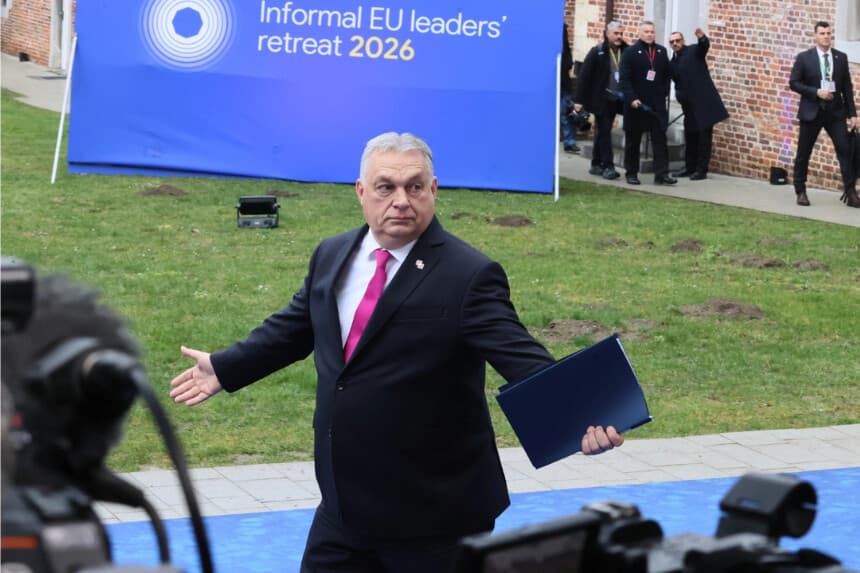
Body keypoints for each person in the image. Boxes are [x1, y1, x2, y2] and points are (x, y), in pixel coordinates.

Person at [169, 132, 625, 573]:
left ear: (433, 190)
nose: (400, 200)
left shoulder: (470, 275)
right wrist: (225, 368)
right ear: (362, 192)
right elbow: (294, 328)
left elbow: (521, 358)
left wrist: (582, 418)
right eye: (386, 187)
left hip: (435, 517)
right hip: (344, 508)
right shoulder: (331, 254)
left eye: (414, 186)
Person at [789, 21, 860, 208]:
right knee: (804, 152)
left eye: (829, 33)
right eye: (822, 33)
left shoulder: (840, 58)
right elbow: (794, 83)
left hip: (835, 112)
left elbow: (847, 87)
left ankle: (851, 192)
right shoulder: (805, 58)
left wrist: (853, 114)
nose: (826, 36)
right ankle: (800, 190)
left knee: (845, 150)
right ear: (815, 36)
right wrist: (815, 92)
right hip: (812, 111)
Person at [618, 21, 676, 186]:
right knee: (633, 141)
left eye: (652, 31)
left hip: (656, 105)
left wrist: (664, 91)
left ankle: (662, 174)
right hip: (637, 104)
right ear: (639, 33)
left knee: (660, 140)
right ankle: (631, 173)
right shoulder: (630, 52)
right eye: (646, 31)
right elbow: (625, 79)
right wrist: (632, 98)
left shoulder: (661, 51)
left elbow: (666, 74)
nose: (650, 34)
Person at [668, 28, 729, 180]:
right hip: (688, 106)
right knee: (691, 136)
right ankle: (689, 167)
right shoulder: (673, 62)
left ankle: (701, 170)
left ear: (683, 41)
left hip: (704, 103)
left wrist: (702, 38)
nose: (675, 43)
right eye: (672, 42)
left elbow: (704, 46)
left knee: (704, 138)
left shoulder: (694, 51)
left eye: (678, 40)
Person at [574, 20, 629, 180]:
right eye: (616, 33)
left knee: (602, 132)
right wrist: (578, 100)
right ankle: (608, 166)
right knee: (605, 131)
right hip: (602, 99)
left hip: (619, 99)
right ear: (608, 34)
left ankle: (595, 163)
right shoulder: (597, 51)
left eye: (621, 33)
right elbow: (584, 77)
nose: (619, 36)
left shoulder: (626, 51)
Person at [561, 23, 580, 154]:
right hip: (551, 79)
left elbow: (566, 54)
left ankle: (569, 141)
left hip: (563, 80)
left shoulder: (561, 29)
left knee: (567, 111)